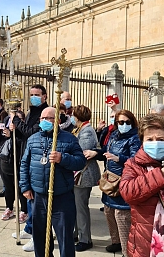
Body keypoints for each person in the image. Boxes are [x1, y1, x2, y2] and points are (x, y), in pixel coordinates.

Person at [19, 107, 86, 257]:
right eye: (42, 118)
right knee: (40, 236)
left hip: (61, 196)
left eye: (48, 118)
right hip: (38, 196)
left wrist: (63, 158)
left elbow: (80, 162)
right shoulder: (33, 139)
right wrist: (25, 187)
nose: (44, 121)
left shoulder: (69, 139)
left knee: (64, 236)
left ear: (57, 121)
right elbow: (24, 164)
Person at [120, 114, 164, 257]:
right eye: (149, 139)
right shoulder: (134, 165)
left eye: (160, 139)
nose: (155, 143)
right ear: (142, 142)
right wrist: (161, 175)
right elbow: (127, 192)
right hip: (144, 244)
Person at [9, 84, 49, 252]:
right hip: (28, 154)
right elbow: (24, 134)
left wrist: (16, 121)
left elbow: (32, 132)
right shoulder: (32, 110)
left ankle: (37, 237)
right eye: (31, 94)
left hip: (39, 159)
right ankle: (29, 228)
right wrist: (15, 129)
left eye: (37, 94)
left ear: (44, 96)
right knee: (29, 196)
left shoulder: (45, 113)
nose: (33, 97)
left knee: (36, 201)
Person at [99, 109, 141, 256]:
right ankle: (115, 241)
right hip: (110, 180)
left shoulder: (135, 138)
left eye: (127, 122)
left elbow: (135, 159)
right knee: (108, 211)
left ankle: (126, 251)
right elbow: (106, 149)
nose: (124, 125)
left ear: (132, 122)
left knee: (121, 216)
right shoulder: (115, 135)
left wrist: (118, 158)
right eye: (120, 122)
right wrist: (95, 153)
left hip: (123, 181)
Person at [70, 105, 101, 252]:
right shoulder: (81, 129)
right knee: (76, 207)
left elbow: (82, 152)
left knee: (81, 207)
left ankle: (85, 239)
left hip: (83, 174)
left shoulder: (87, 131)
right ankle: (78, 233)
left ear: (77, 117)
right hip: (79, 174)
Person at [0, 111, 28, 222]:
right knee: (8, 188)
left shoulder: (23, 132)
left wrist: (13, 135)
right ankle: (9, 207)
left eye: (16, 119)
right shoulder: (6, 128)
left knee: (20, 188)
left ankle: (24, 210)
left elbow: (21, 143)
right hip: (6, 162)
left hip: (18, 162)